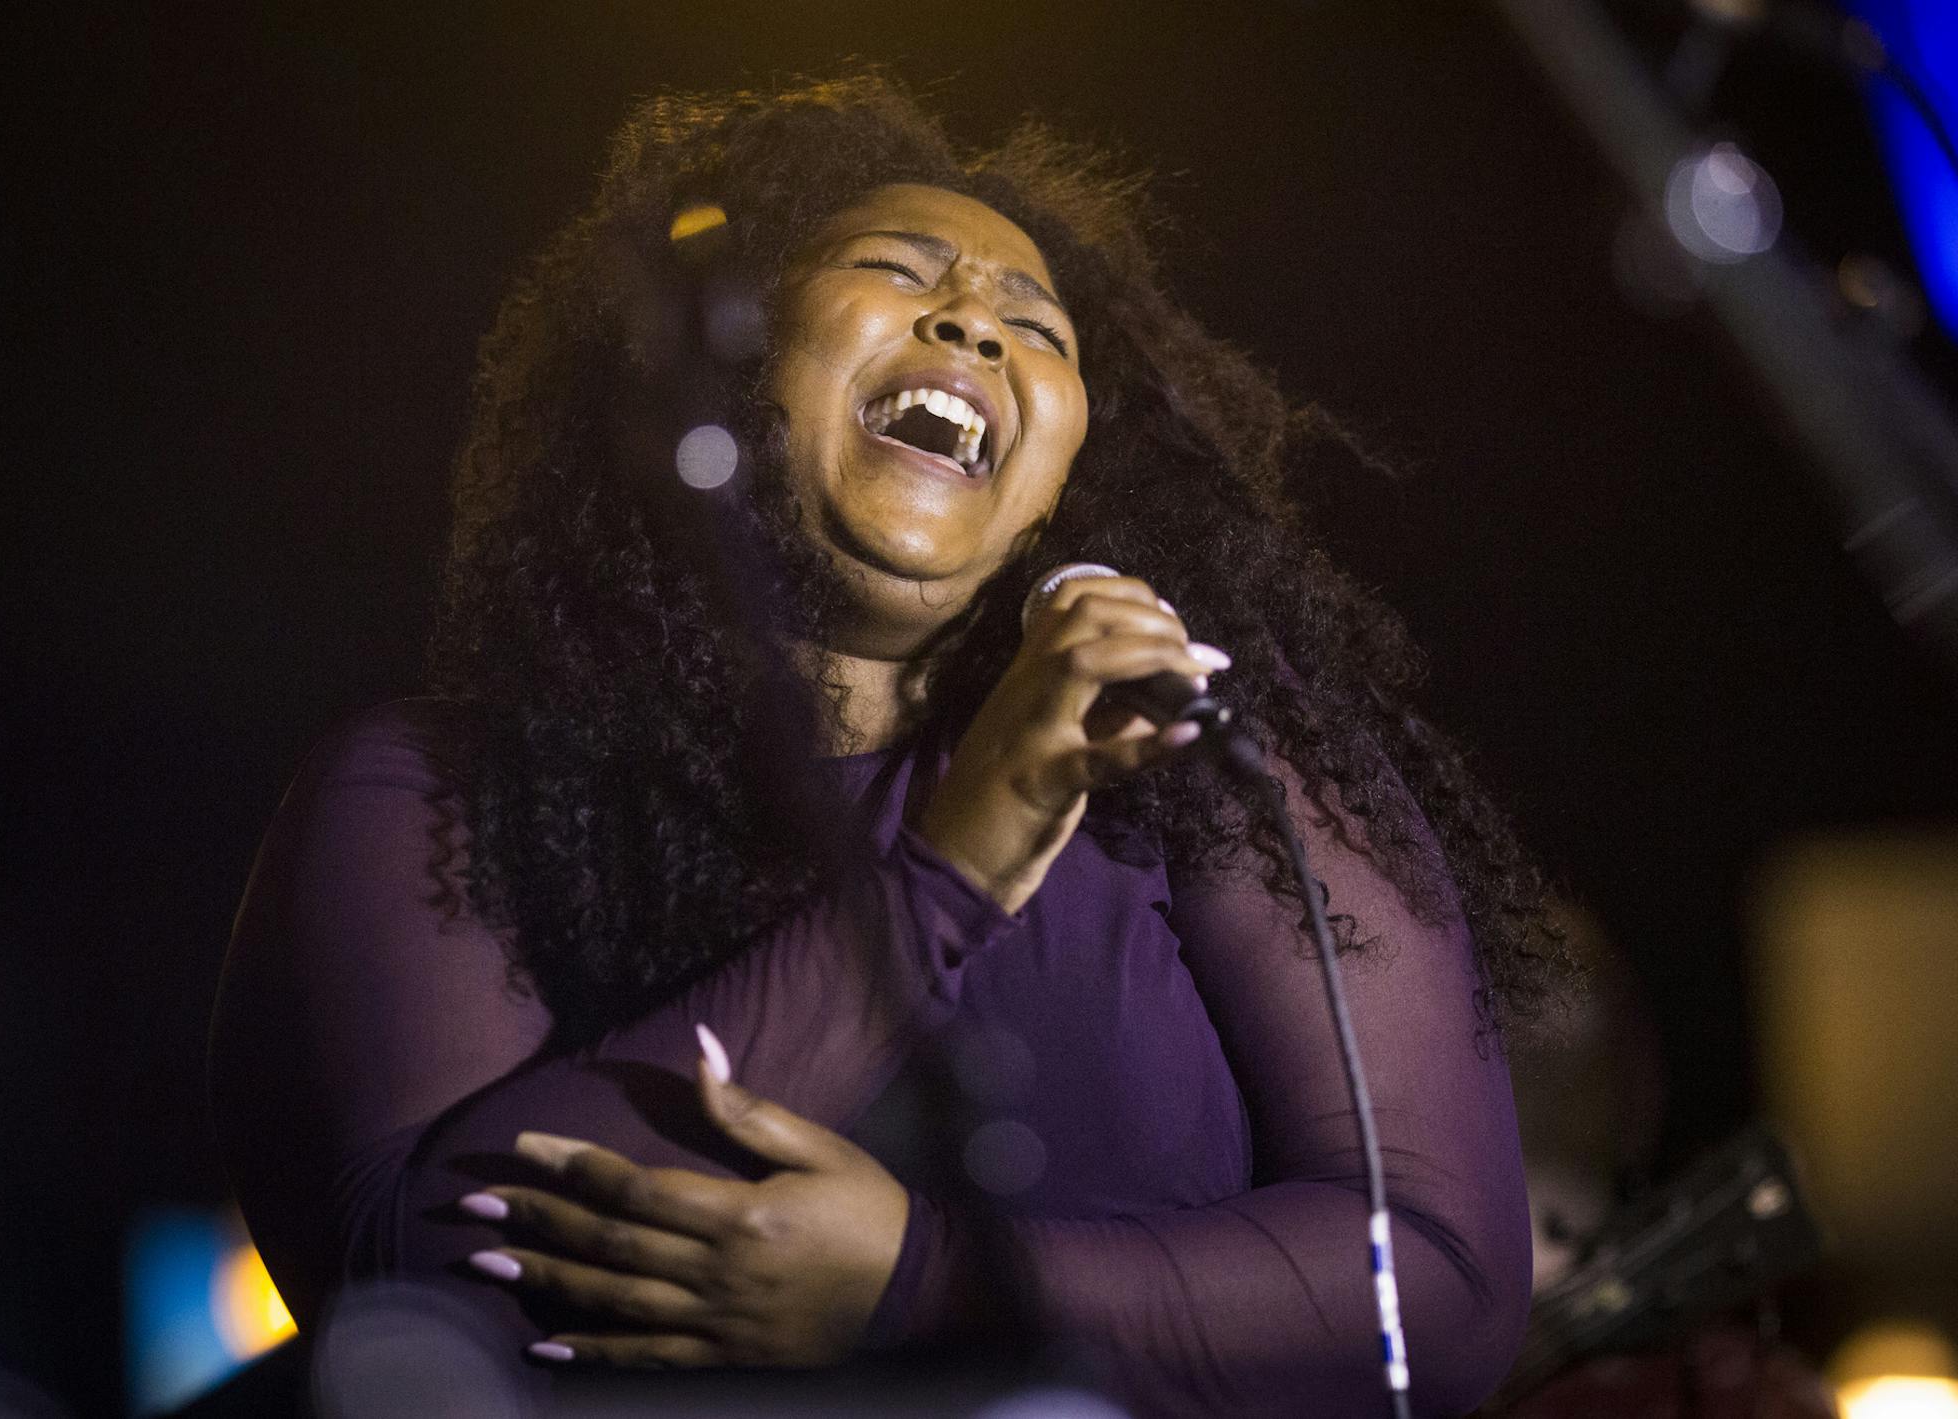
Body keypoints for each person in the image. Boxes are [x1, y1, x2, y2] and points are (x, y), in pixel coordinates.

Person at [209, 75, 1568, 1418]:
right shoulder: (434, 794)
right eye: (894, 269)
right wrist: (956, 861)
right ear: (731, 365)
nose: (973, 320)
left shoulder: (1193, 751)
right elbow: (424, 1292)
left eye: (1036, 325)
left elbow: (1441, 1290)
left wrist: (927, 1284)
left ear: (1061, 488)